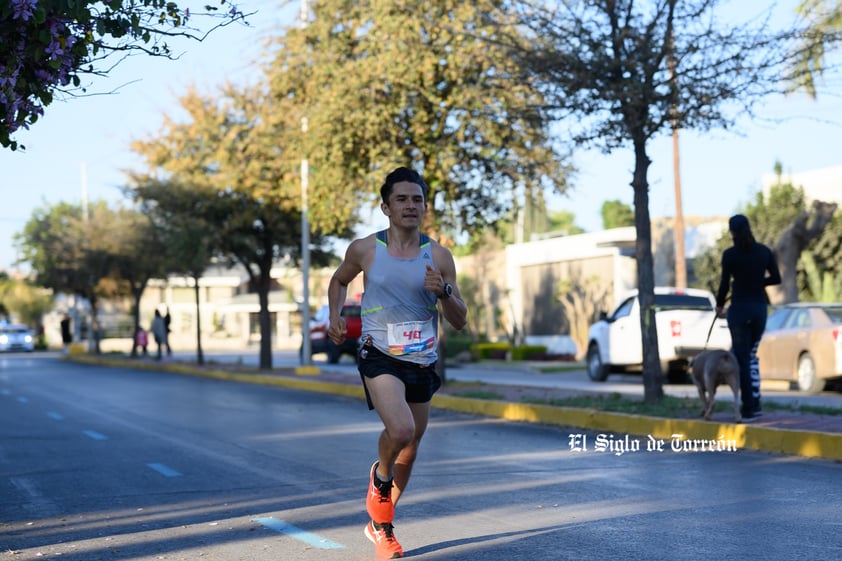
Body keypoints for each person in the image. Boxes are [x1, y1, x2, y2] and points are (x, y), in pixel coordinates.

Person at [327, 166, 467, 559]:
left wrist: (445, 291)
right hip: (379, 353)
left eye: (417, 199)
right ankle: (381, 490)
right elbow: (339, 280)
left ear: (425, 206)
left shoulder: (438, 255)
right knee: (401, 429)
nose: (410, 205)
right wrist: (335, 315)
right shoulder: (365, 249)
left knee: (411, 446)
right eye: (402, 199)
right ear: (386, 207)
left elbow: (459, 319)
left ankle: (378, 523)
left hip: (421, 361)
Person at [715, 214, 781, 422]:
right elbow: (777, 278)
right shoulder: (764, 252)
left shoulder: (730, 255)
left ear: (732, 232)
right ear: (749, 228)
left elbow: (725, 284)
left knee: (742, 359)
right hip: (759, 309)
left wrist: (719, 304)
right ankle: (757, 401)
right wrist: (758, 282)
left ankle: (749, 408)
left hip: (739, 310)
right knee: (751, 356)